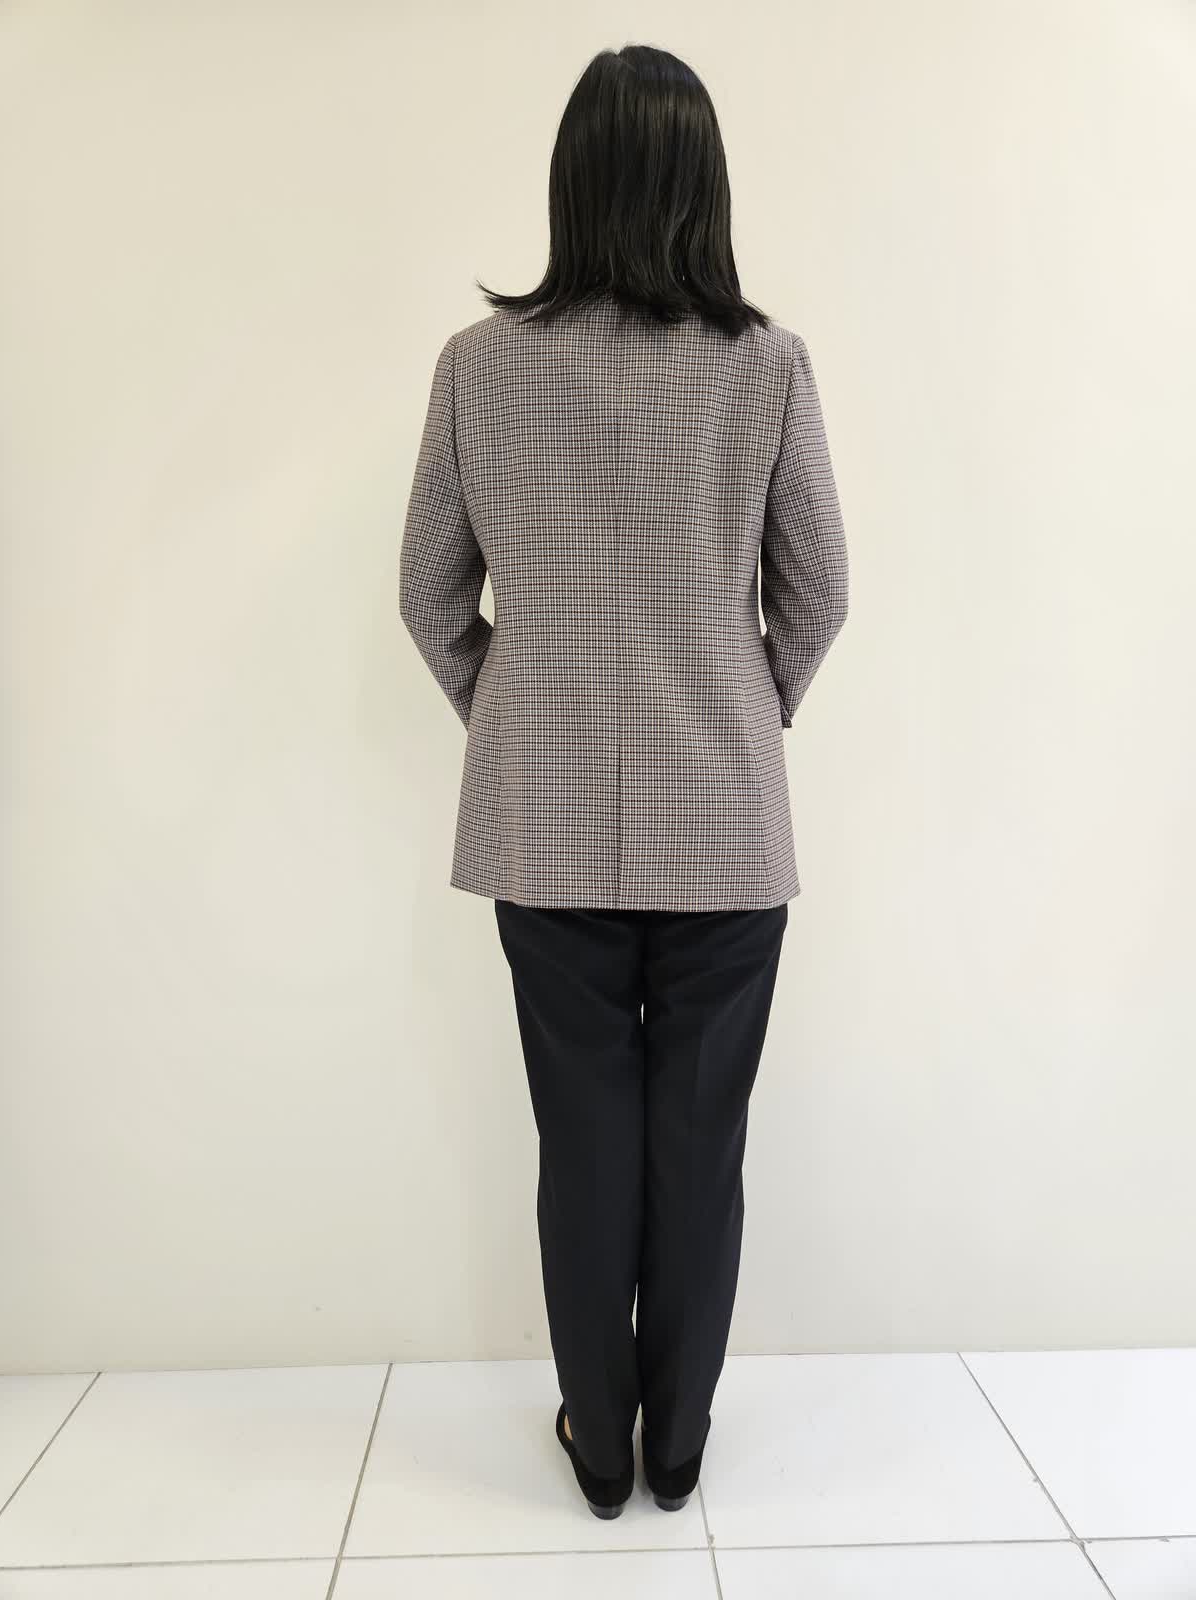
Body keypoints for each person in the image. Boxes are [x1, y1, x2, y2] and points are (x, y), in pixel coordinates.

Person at [399, 42, 848, 1520]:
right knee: (697, 1150)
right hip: (726, 833)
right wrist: (745, 717)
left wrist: (510, 715)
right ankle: (677, 1444)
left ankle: (597, 1446)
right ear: (704, 185)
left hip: (541, 828)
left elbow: (427, 597)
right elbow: (821, 594)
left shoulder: (477, 369)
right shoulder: (766, 364)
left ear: (571, 183)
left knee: (583, 1144)